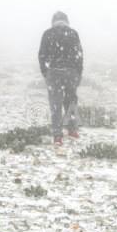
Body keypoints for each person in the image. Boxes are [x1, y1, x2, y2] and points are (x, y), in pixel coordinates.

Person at [38, 11, 83, 144]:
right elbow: (79, 55)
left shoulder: (47, 34)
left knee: (55, 104)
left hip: (53, 72)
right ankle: (72, 129)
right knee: (71, 101)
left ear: (53, 21)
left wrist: (45, 72)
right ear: (66, 21)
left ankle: (57, 135)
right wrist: (78, 73)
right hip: (71, 72)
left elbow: (41, 55)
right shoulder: (73, 33)